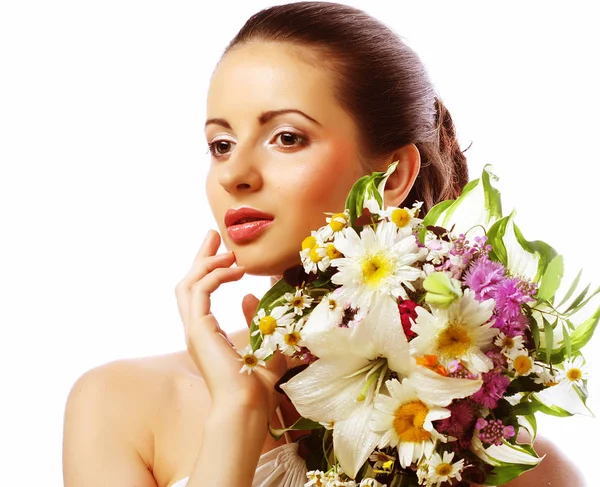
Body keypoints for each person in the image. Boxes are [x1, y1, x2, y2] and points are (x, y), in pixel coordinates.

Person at [62, 2, 585, 486]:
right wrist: (237, 415)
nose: (235, 174)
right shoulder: (119, 405)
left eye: (287, 137)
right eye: (221, 145)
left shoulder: (524, 467)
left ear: (393, 173)